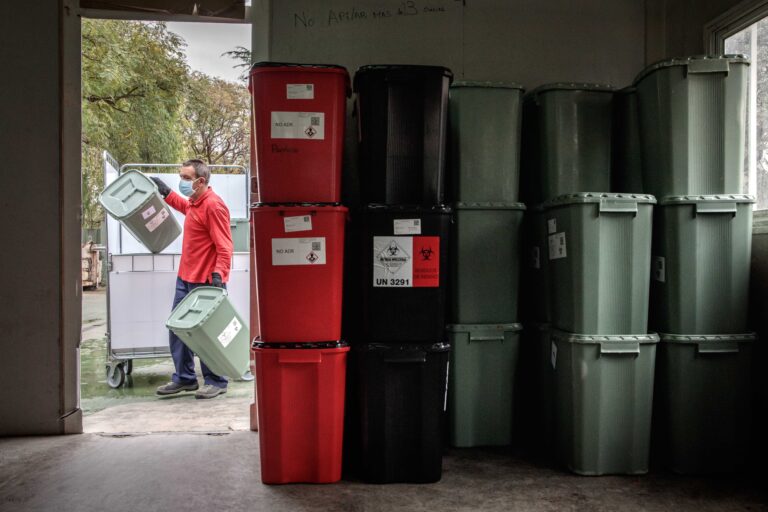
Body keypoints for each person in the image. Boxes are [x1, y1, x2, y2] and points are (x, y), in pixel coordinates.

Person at [151, 160, 234, 399]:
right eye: (181, 177)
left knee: (207, 335)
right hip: (185, 278)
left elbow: (225, 246)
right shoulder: (196, 202)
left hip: (206, 282)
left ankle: (216, 380)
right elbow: (186, 207)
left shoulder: (214, 206)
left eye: (186, 178)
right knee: (178, 329)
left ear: (200, 181)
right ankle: (185, 379)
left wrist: (220, 273)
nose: (182, 181)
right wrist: (167, 193)